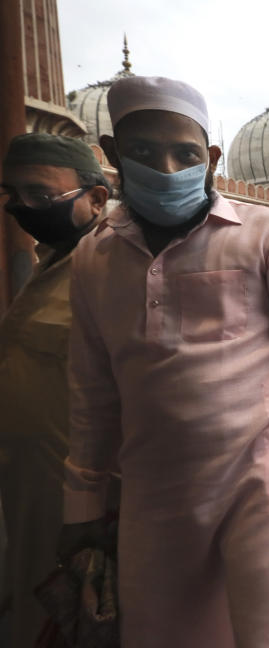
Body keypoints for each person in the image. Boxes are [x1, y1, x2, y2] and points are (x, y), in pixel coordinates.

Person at [57, 76, 269, 646]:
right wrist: (83, 499)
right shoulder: (94, 257)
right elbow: (92, 389)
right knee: (165, 632)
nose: (167, 168)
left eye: (186, 154)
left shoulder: (268, 234)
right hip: (155, 491)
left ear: (214, 158)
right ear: (111, 154)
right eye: (144, 154)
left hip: (264, 483)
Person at [0, 134, 111, 647]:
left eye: (41, 195)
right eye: (15, 195)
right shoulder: (52, 263)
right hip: (30, 493)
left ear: (96, 198)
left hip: (82, 508)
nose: (24, 207)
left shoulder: (117, 270)